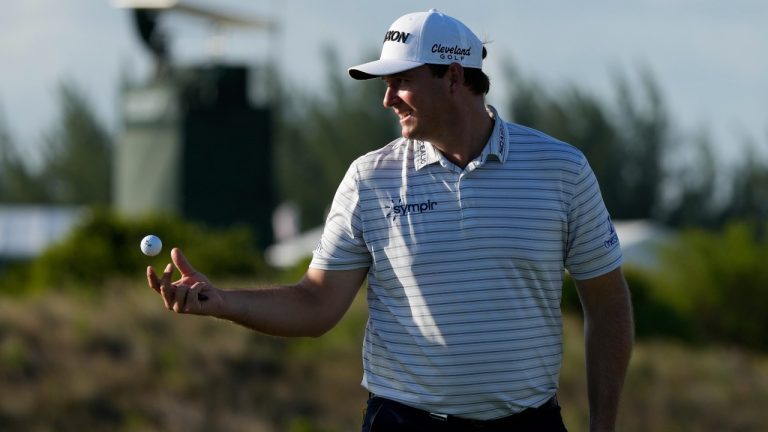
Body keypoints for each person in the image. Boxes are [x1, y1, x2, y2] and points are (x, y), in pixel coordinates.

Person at [147, 9, 633, 432]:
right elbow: (316, 302)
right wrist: (223, 300)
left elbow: (608, 304)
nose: (387, 99)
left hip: (529, 423)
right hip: (406, 423)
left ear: (453, 76)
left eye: (401, 81)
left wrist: (603, 427)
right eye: (385, 84)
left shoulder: (561, 169)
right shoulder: (369, 179)